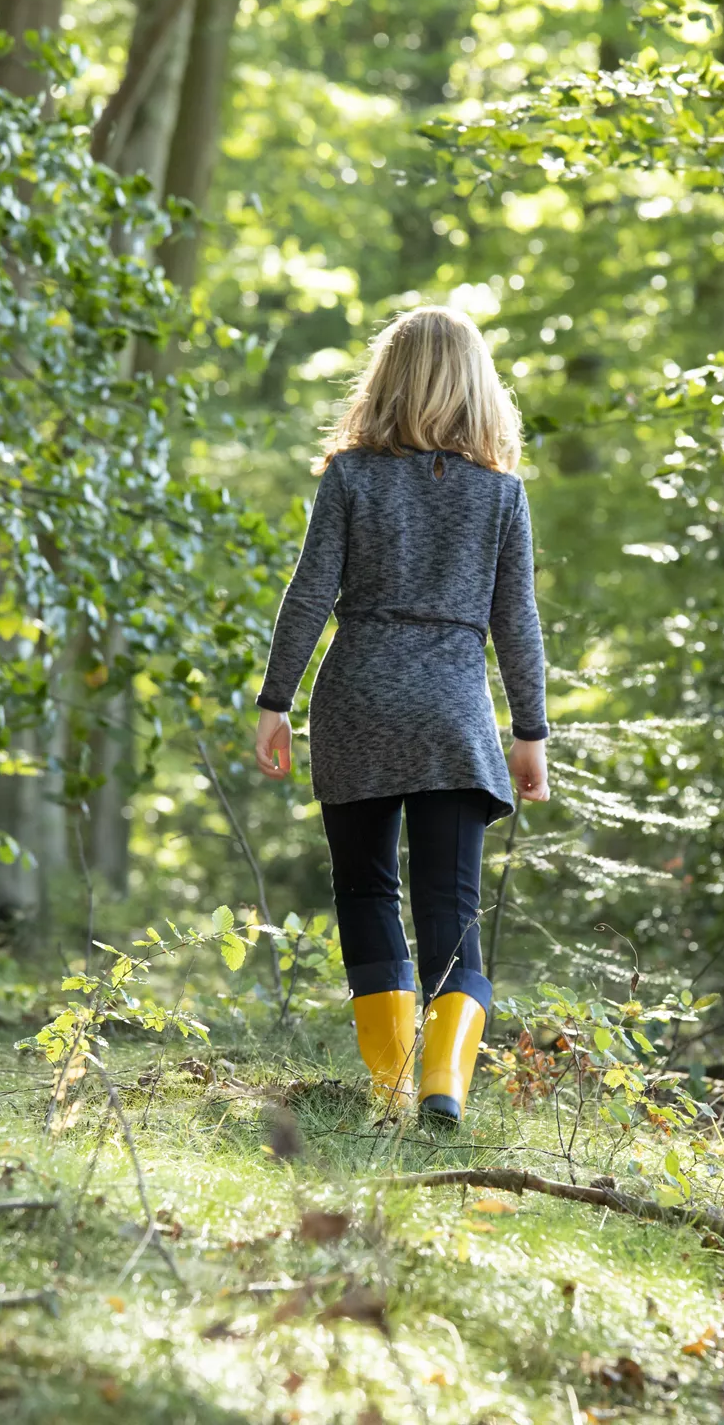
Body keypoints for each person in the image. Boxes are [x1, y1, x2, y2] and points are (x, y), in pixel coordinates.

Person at [252, 304, 550, 1126]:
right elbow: (515, 618)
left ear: (386, 378)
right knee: (451, 908)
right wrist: (531, 731)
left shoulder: (350, 476)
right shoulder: (501, 495)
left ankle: (388, 1091)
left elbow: (310, 594)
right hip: (452, 710)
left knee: (366, 891)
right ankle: (442, 1089)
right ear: (478, 388)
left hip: (358, 701)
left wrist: (275, 701)